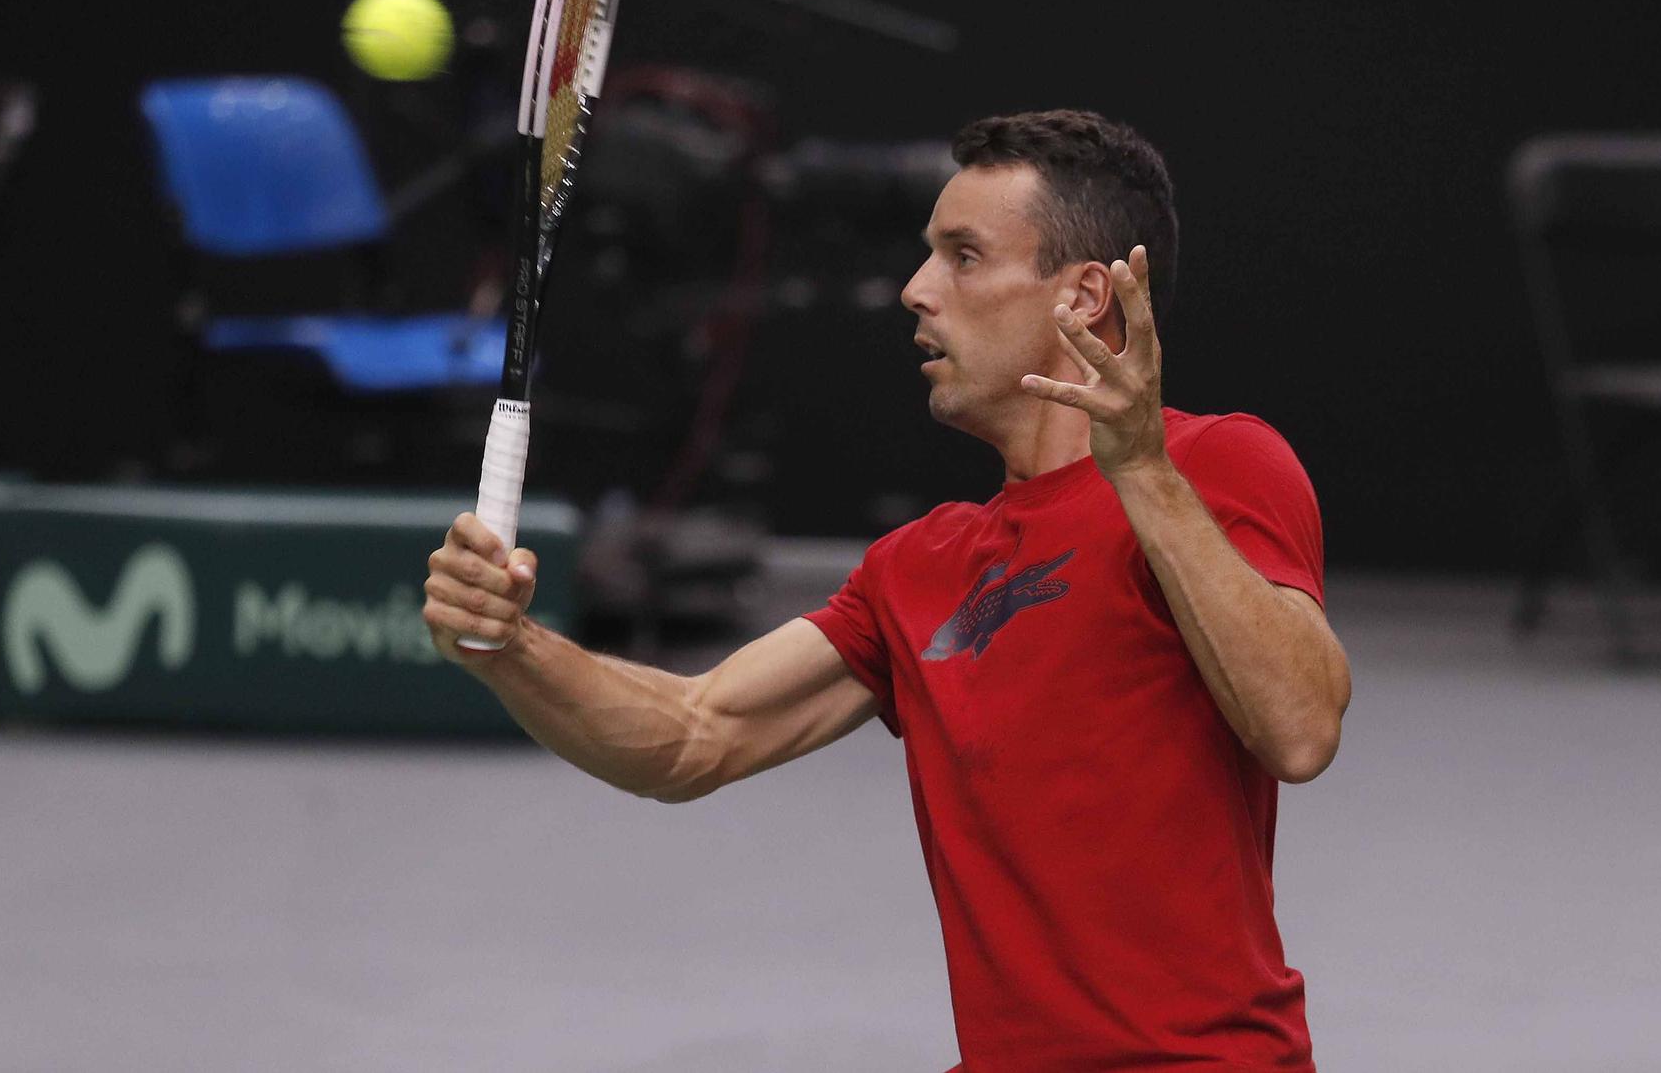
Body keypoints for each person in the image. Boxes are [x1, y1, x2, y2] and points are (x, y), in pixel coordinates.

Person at [422, 108, 1351, 1071]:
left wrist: (1145, 474)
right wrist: (513, 646)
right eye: (926, 255)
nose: (915, 290)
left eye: (963, 256)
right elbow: (694, 732)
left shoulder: (1221, 463)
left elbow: (1300, 728)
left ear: (1084, 296)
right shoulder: (919, 569)